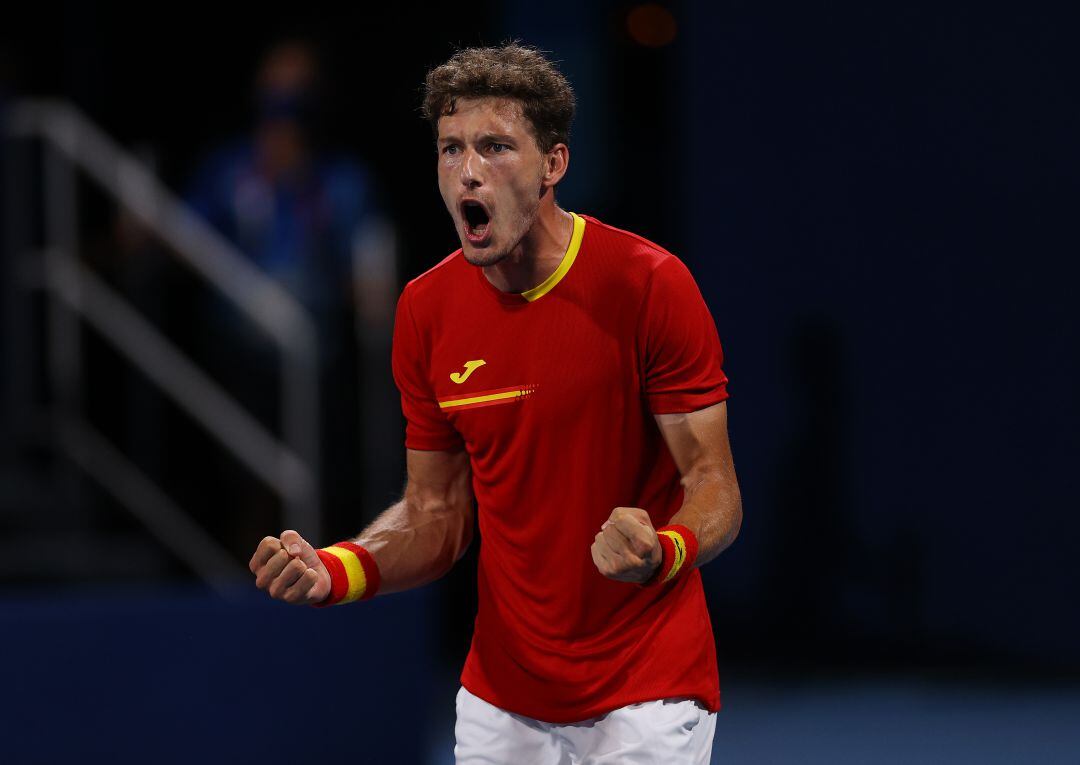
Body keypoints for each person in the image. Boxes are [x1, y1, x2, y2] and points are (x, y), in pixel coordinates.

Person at [249, 43, 742, 764]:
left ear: (554, 165)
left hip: (648, 688)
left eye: (495, 146)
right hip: (501, 701)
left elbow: (715, 485)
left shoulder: (649, 284)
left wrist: (663, 550)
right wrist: (340, 567)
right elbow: (436, 514)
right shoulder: (425, 310)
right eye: (451, 149)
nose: (468, 171)